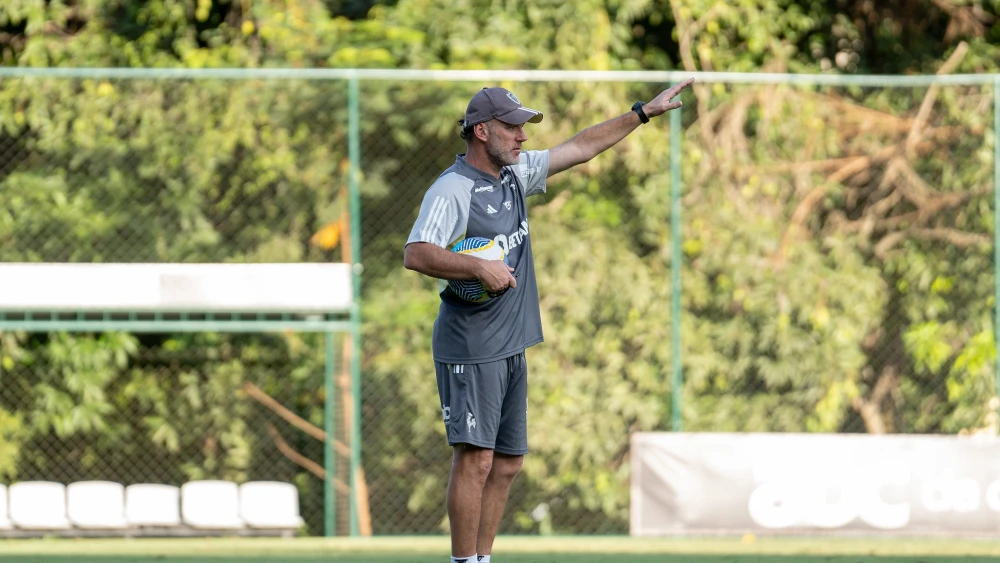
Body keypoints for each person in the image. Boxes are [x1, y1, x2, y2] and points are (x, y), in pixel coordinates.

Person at [403, 79, 694, 563]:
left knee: (509, 462)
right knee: (474, 461)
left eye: (523, 128)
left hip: (511, 341)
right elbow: (416, 254)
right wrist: (477, 266)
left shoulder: (514, 175)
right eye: (512, 127)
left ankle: (482, 559)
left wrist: (642, 113)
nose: (522, 136)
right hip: (471, 344)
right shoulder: (452, 189)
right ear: (480, 131)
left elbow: (581, 146)